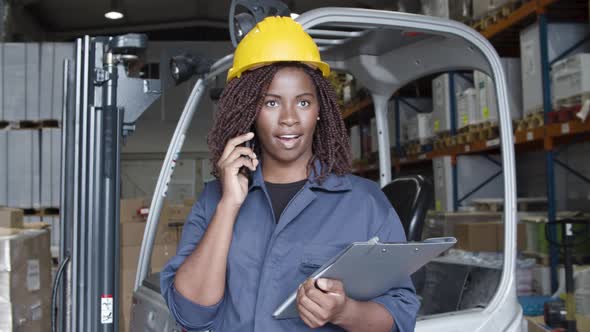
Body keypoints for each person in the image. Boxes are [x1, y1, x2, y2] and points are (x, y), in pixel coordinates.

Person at [160, 16, 419, 331]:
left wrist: (345, 312)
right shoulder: (214, 200)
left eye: (303, 102)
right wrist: (229, 206)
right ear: (250, 112)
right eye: (271, 102)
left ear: (319, 109)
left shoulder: (365, 204)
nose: (289, 119)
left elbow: (401, 318)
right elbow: (191, 313)